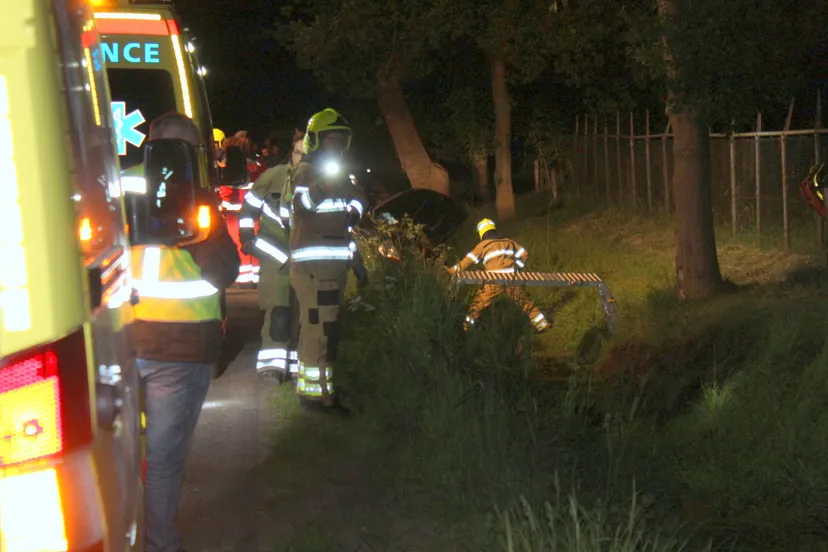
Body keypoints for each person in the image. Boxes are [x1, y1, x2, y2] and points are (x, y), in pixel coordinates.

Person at [131, 112, 240, 552]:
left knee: (119, 453)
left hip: (121, 341)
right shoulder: (197, 200)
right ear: (192, 153)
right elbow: (223, 272)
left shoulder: (117, 189)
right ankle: (160, 545)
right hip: (182, 346)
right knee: (163, 458)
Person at [290, 108, 367, 414]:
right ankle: (320, 397)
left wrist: (355, 212)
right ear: (316, 140)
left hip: (333, 268)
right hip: (314, 270)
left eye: (340, 139)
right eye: (330, 138)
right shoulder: (306, 171)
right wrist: (325, 185)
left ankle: (315, 391)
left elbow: (358, 200)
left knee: (323, 330)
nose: (336, 145)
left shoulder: (342, 174)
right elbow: (302, 205)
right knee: (321, 332)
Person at [238, 134, 304, 380]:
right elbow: (249, 208)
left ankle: (298, 365)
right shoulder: (272, 177)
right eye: (298, 153)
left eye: (307, 154)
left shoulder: (321, 181)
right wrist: (246, 235)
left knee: (305, 312)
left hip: (305, 256)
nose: (302, 159)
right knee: (279, 311)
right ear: (291, 154)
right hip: (274, 251)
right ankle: (272, 366)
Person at [448, 218, 550, 332]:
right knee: (525, 303)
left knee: (477, 305)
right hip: (511, 279)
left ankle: (466, 329)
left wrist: (451, 271)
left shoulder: (483, 246)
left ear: (482, 233)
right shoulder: (509, 242)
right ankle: (543, 325)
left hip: (493, 281)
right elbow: (525, 254)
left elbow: (467, 261)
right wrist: (517, 267)